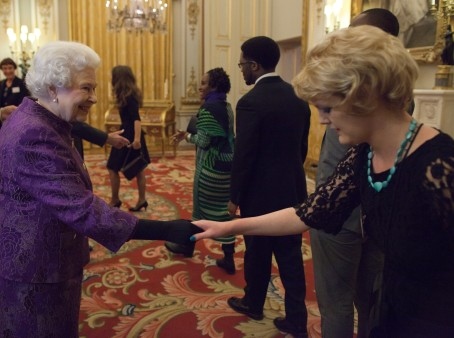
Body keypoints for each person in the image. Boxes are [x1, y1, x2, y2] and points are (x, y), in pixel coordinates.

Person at [192, 26, 454, 338]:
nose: (322, 120)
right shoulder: (363, 155)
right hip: (395, 308)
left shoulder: (439, 166)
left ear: (364, 96)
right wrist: (230, 227)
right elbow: (309, 212)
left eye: (328, 108)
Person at [0, 40, 200, 338]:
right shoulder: (35, 134)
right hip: (36, 268)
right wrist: (169, 230)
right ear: (54, 88)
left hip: (44, 255)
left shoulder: (37, 117)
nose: (94, 98)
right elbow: (81, 209)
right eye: (86, 88)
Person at [310, 8, 414, 338]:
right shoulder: (399, 94)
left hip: (341, 217)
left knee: (337, 302)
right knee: (370, 302)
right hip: (374, 215)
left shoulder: (356, 94)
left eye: (355, 35)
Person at [225, 36, 311, 338]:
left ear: (254, 65)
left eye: (242, 65)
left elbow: (244, 155)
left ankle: (253, 302)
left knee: (257, 253)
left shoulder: (250, 102)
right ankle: (297, 320)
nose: (241, 71)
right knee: (290, 257)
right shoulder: (298, 97)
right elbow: (301, 149)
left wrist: (234, 197)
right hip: (292, 192)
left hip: (259, 195)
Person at [165, 67, 236, 274]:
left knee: (200, 212)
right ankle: (229, 257)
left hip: (210, 169)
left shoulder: (208, 109)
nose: (199, 87)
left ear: (213, 86)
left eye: (204, 83)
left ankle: (187, 246)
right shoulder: (227, 106)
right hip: (227, 167)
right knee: (224, 213)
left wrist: (186, 137)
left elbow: (203, 142)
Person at [106, 65, 151, 211]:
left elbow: (136, 119)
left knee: (113, 167)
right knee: (138, 169)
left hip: (130, 135)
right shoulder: (127, 93)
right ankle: (141, 200)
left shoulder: (129, 95)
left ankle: (115, 200)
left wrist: (137, 140)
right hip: (128, 133)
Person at [0, 57, 30, 127]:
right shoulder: (1, 83)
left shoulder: (22, 83)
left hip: (17, 120)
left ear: (14, 68)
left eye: (10, 68)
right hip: (2, 122)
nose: (8, 71)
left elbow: (25, 102)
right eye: (5, 68)